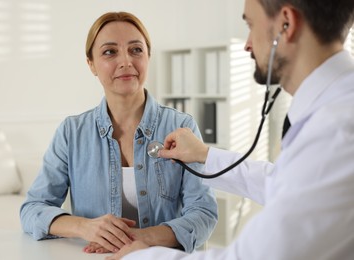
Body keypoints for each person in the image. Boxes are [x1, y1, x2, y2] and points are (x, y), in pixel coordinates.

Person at [107, 0, 354, 259]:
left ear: (286, 24)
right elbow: (281, 182)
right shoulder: (333, 113)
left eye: (250, 24)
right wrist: (204, 154)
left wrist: (136, 256)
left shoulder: (336, 130)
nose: (247, 44)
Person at [20, 11, 218, 254]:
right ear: (91, 64)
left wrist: (143, 238)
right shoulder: (71, 133)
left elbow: (203, 212)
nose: (126, 61)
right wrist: (85, 227)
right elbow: (33, 209)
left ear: (148, 57)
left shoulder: (181, 127)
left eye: (136, 50)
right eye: (109, 52)